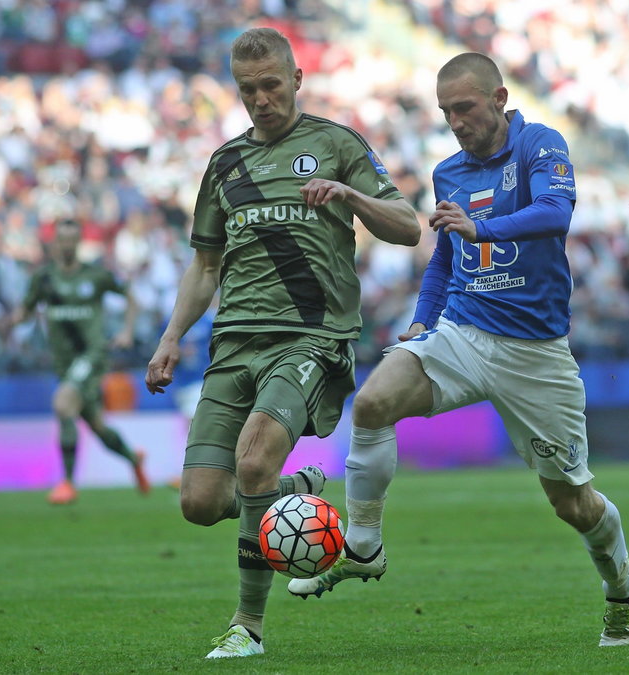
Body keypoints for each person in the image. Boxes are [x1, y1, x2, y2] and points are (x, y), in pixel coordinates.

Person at [286, 52, 629, 648]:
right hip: (463, 331)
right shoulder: (449, 172)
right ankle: (364, 545)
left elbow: (556, 213)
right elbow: (447, 259)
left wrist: (485, 229)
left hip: (535, 353)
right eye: (446, 111)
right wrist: (422, 319)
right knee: (373, 402)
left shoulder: (540, 145)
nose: (455, 121)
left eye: (466, 107)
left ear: (500, 98)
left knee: (573, 504)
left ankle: (623, 586)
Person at [143, 27, 420, 659]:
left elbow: (407, 226)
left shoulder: (335, 143)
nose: (262, 98)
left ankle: (248, 626)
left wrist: (350, 196)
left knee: (252, 460)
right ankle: (295, 493)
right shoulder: (223, 165)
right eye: (249, 90)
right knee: (200, 502)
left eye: (272, 85)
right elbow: (205, 266)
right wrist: (170, 338)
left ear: (297, 79)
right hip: (232, 343)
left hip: (310, 338)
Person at [11, 218, 150, 505]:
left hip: (92, 355)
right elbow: (25, 310)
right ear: (55, 242)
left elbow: (132, 298)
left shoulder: (96, 276)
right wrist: (15, 320)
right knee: (97, 426)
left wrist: (126, 331)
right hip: (63, 362)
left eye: (72, 239)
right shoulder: (44, 278)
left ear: (79, 242)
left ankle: (68, 483)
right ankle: (132, 457)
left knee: (63, 404)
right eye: (62, 239)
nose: (67, 245)